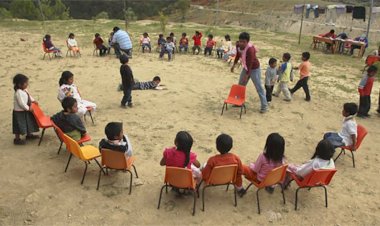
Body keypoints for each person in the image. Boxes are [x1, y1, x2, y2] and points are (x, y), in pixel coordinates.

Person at [231, 32, 268, 113]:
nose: (241, 43)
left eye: (243, 42)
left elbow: (250, 63)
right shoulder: (238, 45)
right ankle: (238, 102)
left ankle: (264, 106)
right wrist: (234, 65)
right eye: (240, 41)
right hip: (246, 67)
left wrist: (247, 75)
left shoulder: (250, 49)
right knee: (240, 85)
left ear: (247, 42)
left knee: (259, 88)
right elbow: (237, 55)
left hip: (254, 68)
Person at [12, 74, 39, 145]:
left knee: (28, 122)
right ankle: (17, 139)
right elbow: (21, 104)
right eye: (25, 83)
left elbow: (29, 96)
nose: (27, 84)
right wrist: (28, 108)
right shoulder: (18, 93)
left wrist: (33, 100)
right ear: (19, 84)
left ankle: (29, 135)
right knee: (18, 125)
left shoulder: (24, 90)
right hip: (19, 112)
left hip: (26, 111)